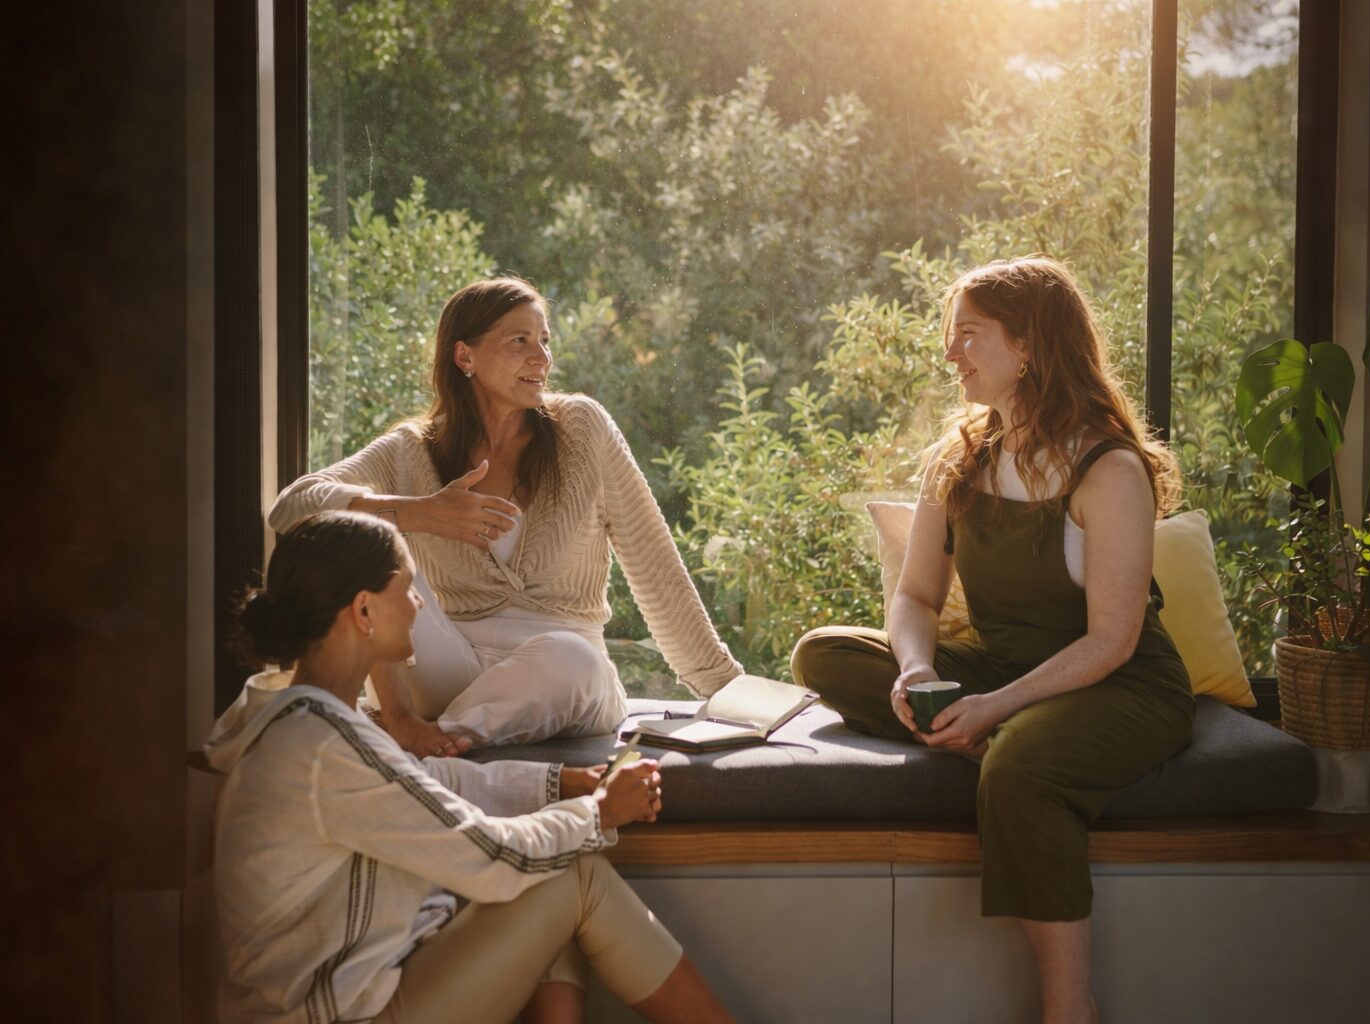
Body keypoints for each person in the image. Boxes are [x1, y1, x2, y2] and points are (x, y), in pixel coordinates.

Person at [792, 257, 1194, 1024]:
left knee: (1016, 769)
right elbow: (914, 597)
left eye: (969, 336)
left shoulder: (1106, 469)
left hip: (1118, 684)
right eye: (952, 337)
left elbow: (1113, 638)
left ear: (1030, 347)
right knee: (825, 654)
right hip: (1005, 671)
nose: (952, 355)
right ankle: (985, 727)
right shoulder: (959, 460)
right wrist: (914, 669)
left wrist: (993, 708)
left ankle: (1069, 1010)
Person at [207, 510, 731, 1024]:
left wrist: (563, 783)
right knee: (571, 871)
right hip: (343, 1014)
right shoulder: (326, 745)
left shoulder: (306, 721)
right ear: (363, 611)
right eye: (408, 588)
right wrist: (598, 814)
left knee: (550, 863)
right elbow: (492, 855)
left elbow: (428, 784)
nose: (417, 604)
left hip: (361, 989)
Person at [270, 275, 742, 759]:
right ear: (464, 357)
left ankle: (422, 736)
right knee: (364, 548)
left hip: (563, 673)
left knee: (573, 659)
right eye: (520, 341)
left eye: (544, 340)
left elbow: (656, 568)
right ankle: (417, 727)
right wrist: (424, 514)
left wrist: (726, 689)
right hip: (445, 663)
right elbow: (293, 507)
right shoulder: (412, 450)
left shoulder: (583, 429)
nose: (542, 357)